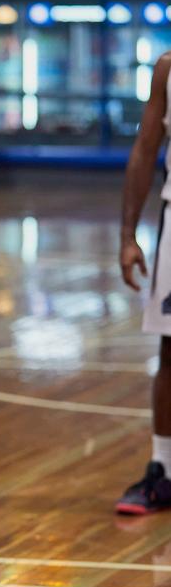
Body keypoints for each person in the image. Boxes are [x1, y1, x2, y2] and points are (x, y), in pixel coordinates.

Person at [117, 51, 171, 514]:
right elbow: (145, 148)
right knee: (170, 350)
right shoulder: (169, 67)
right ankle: (164, 470)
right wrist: (128, 234)